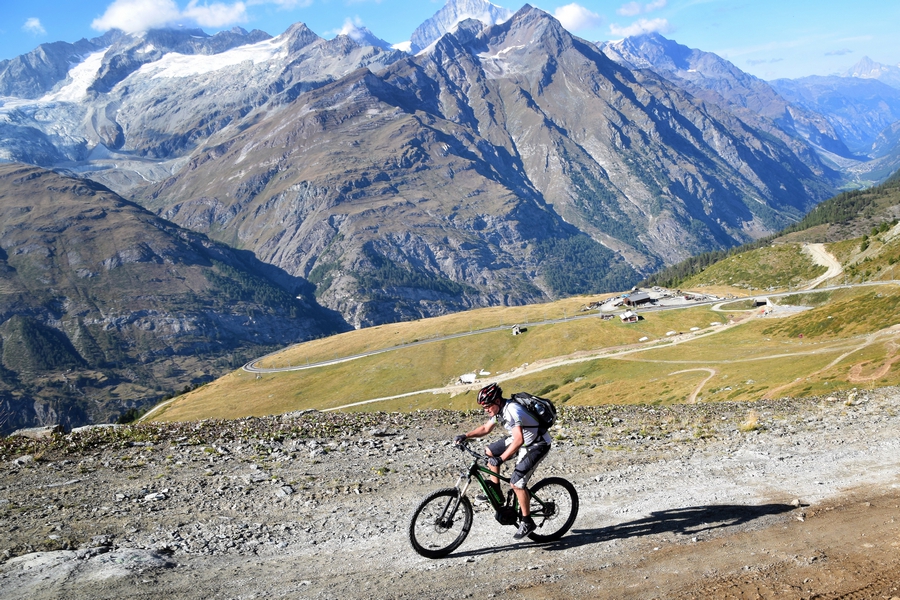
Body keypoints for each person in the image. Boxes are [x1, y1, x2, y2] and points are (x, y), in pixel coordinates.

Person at [454, 383, 552, 539]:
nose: (486, 409)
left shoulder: (512, 410)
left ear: (497, 401)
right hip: (522, 439)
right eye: (483, 407)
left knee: (516, 483)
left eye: (487, 406)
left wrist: (501, 459)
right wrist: (465, 436)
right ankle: (496, 492)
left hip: (536, 444)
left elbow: (519, 440)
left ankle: (527, 521)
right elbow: (486, 428)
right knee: (489, 451)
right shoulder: (498, 410)